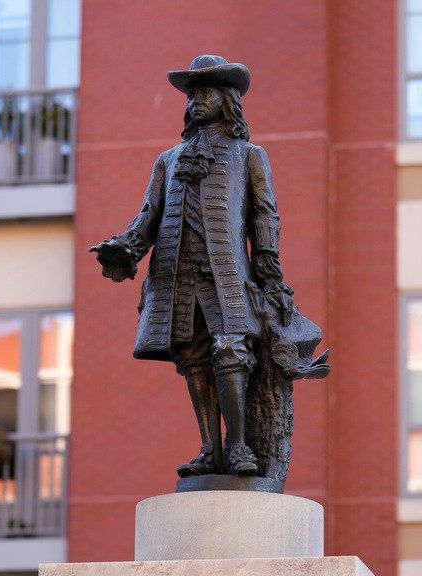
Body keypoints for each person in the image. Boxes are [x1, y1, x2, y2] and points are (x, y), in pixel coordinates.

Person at [90, 55, 295, 477]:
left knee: (230, 350)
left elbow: (264, 215)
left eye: (205, 93)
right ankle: (210, 449)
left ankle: (238, 447)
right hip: (176, 272)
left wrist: (269, 273)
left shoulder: (249, 155)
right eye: (192, 95)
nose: (195, 102)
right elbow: (147, 216)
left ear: (227, 100)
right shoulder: (168, 160)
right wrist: (124, 248)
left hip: (226, 272)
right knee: (193, 361)